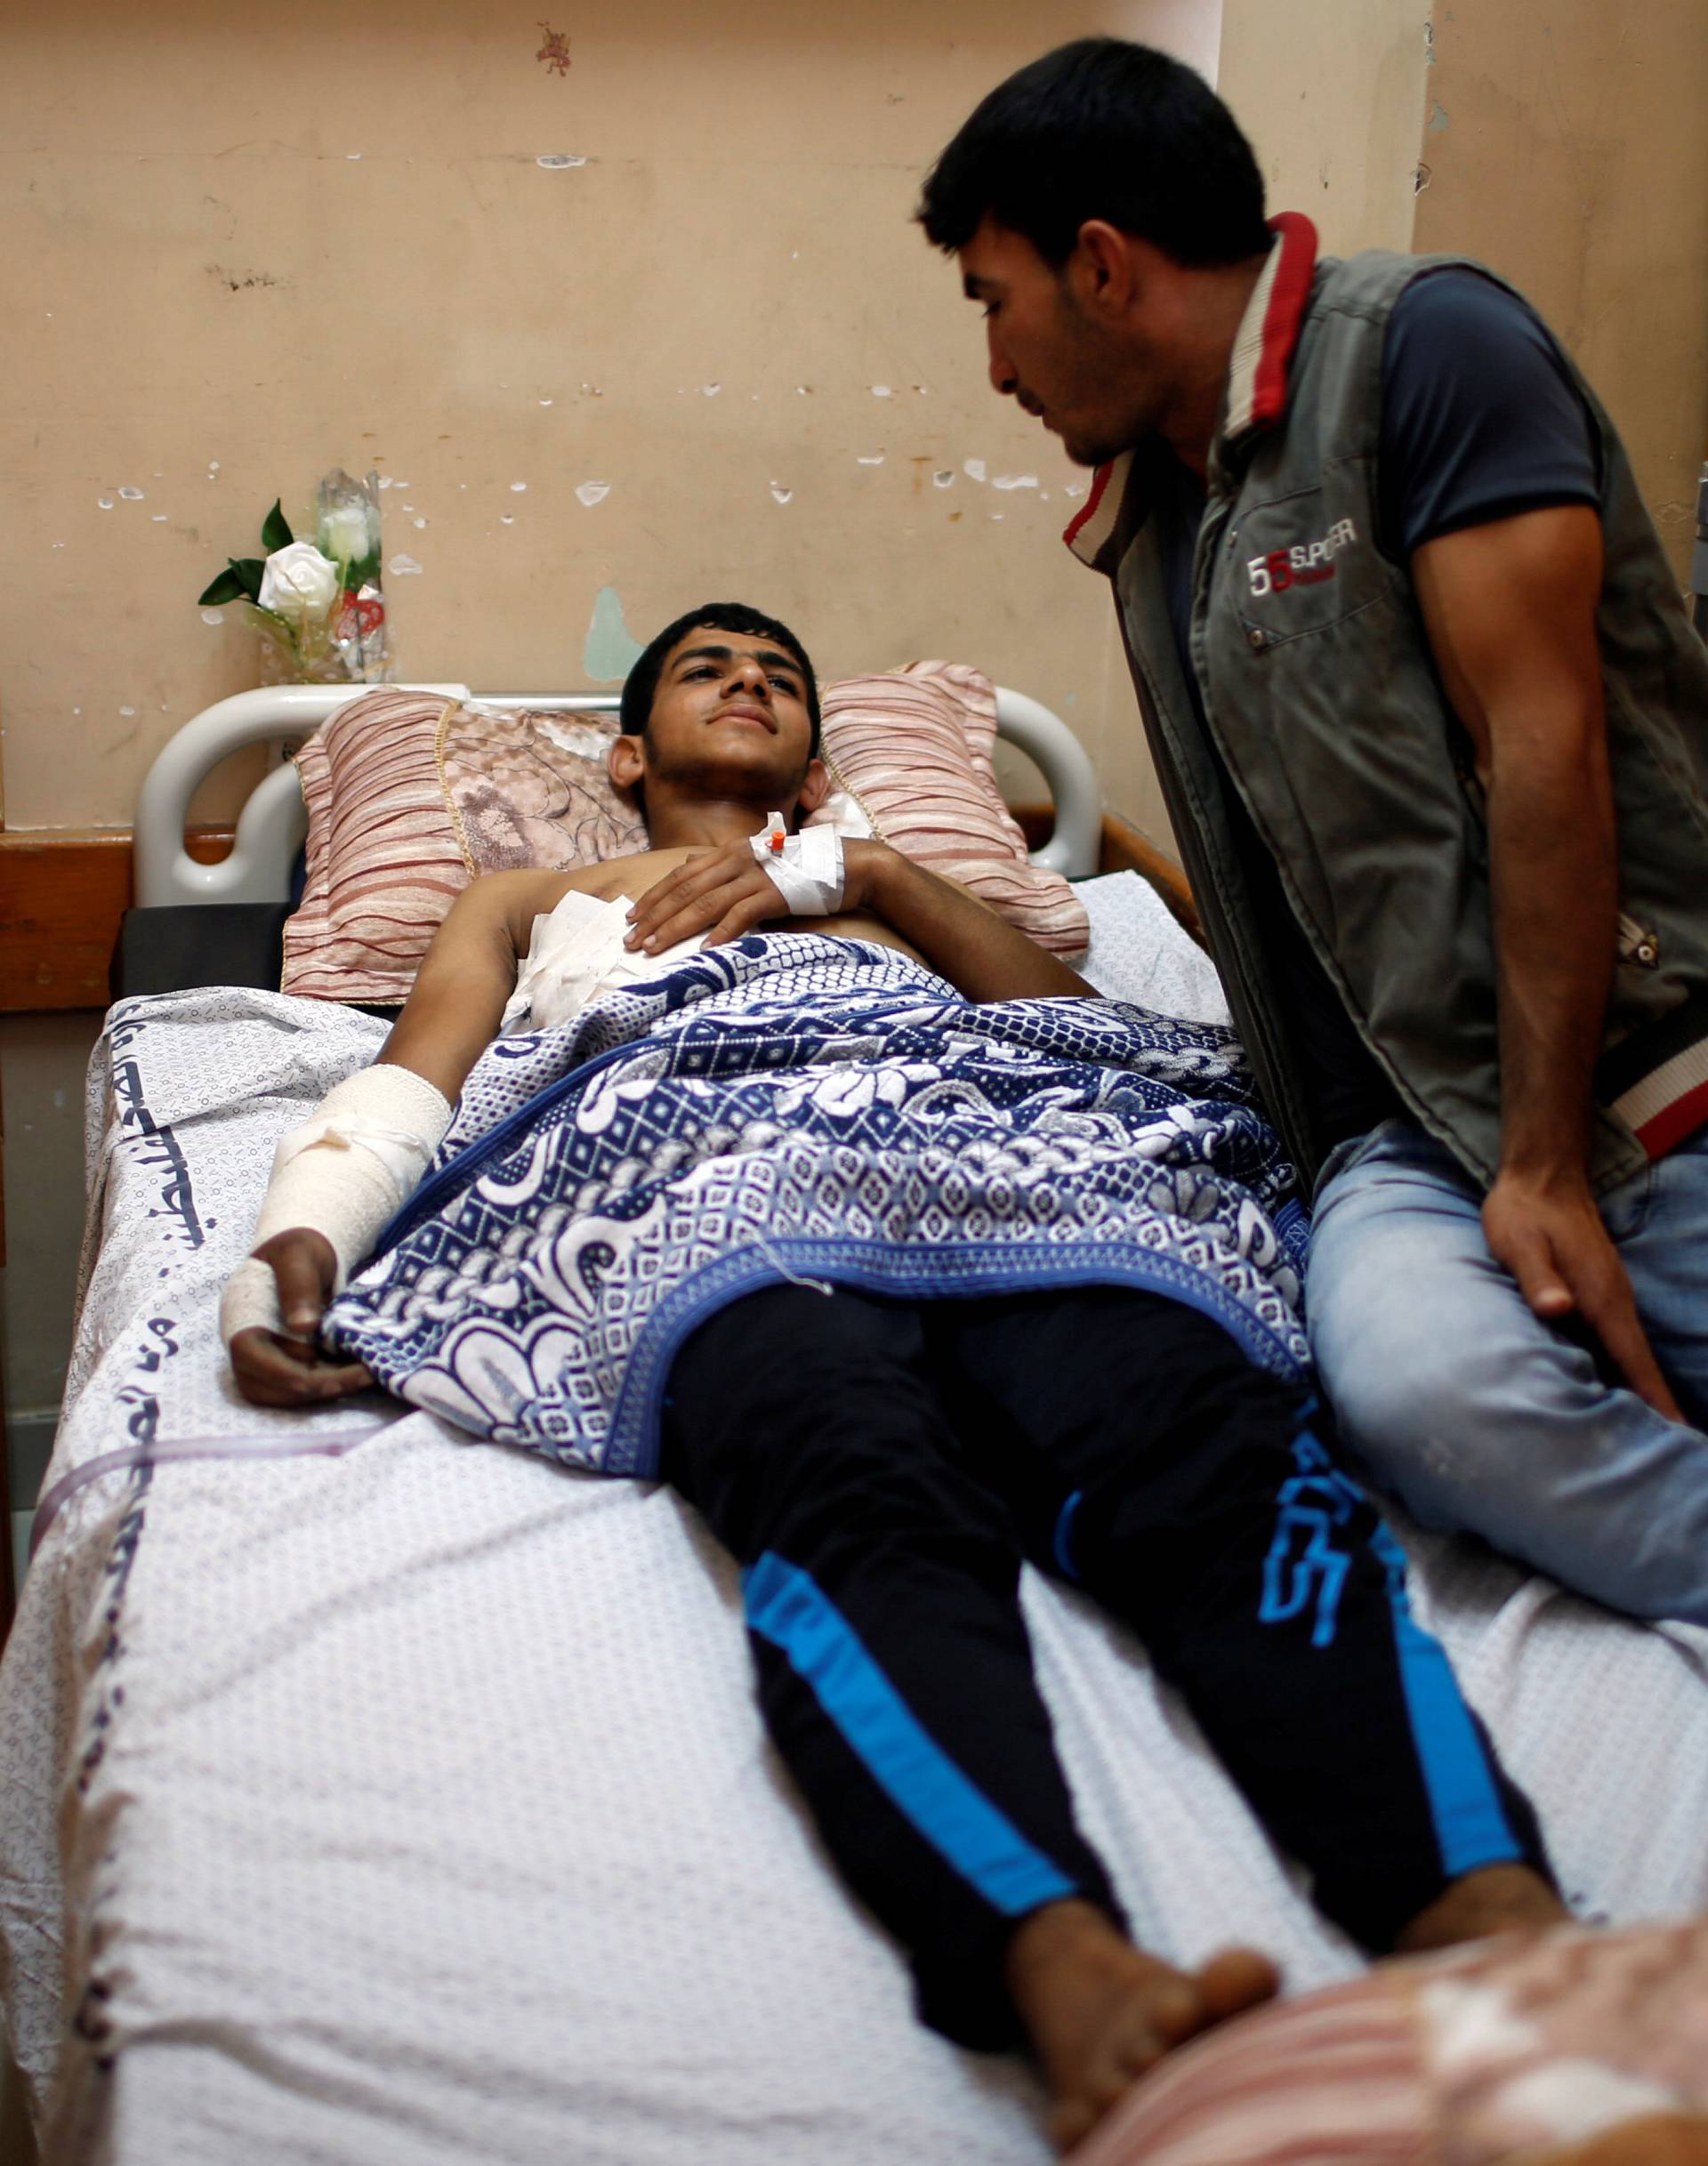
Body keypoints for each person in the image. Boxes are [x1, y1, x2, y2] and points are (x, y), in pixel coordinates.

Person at [224, 602, 1567, 2153]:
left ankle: (1483, 1901)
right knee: (854, 1480)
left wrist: (869, 872)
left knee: (1212, 1446)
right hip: (706, 1174)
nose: (749, 684)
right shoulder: (534, 899)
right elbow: (407, 1088)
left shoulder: (878, 887)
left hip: (1005, 1156)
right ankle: (1057, 1963)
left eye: (779, 676)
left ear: (813, 745)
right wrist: (302, 1232)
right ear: (628, 748)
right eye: (707, 671)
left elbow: (1079, 1037)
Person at [917, 38, 1708, 1625]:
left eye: (993, 302)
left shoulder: (1426, 352)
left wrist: (1548, 1156)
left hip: (1640, 1078)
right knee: (1421, 1398)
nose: (996, 369)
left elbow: (1549, 755)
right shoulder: (1155, 520)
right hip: (1394, 1146)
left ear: (1102, 266)